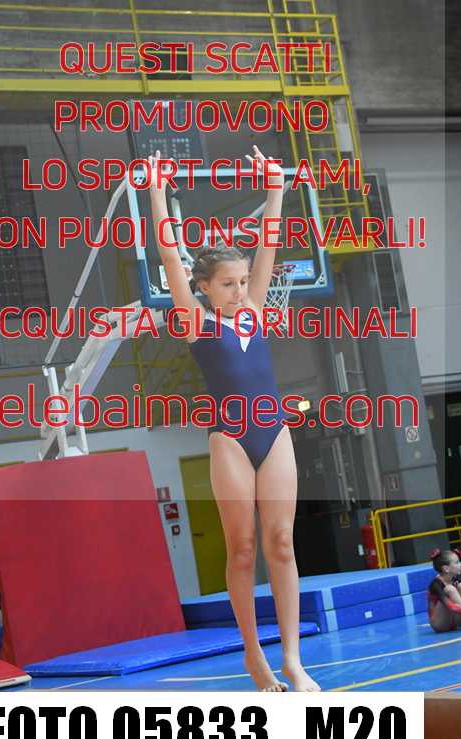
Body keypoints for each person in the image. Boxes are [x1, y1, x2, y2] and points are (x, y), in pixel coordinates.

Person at [147, 145, 320, 692]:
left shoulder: (256, 310)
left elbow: (269, 242)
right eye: (228, 284)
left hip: (274, 432)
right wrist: (156, 192)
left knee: (282, 543)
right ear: (203, 288)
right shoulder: (196, 322)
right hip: (231, 439)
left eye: (243, 281)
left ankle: (292, 659)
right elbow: (170, 255)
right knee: (243, 548)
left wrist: (275, 188)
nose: (241, 290)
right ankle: (253, 655)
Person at [427, 548, 461, 632]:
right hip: (439, 624)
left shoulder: (455, 579)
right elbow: (451, 606)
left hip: (454, 620)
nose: (460, 565)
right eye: (457, 562)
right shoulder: (436, 584)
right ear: (446, 569)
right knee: (450, 589)